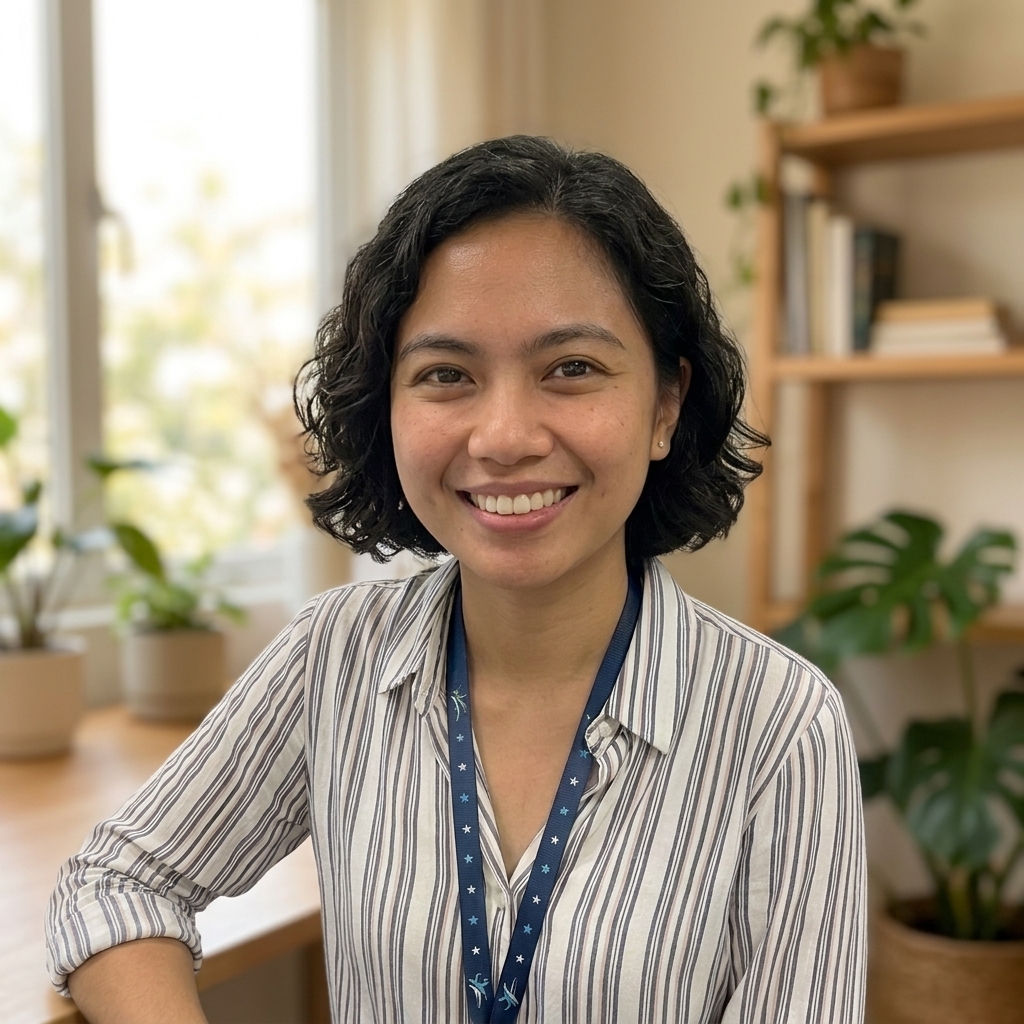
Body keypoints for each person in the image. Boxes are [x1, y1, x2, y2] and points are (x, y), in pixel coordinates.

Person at [47, 136, 866, 1023]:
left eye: (571, 369)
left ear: (665, 405)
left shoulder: (782, 726)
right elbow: (115, 884)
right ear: (386, 404)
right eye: (447, 375)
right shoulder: (336, 656)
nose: (504, 435)